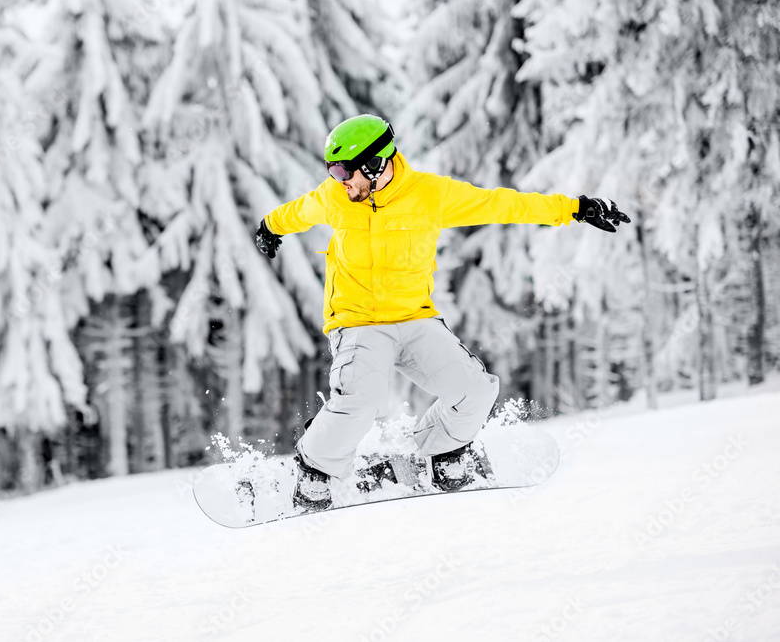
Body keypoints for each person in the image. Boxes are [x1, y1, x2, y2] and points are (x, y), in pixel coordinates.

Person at [254, 114, 630, 511]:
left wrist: (574, 208)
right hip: (357, 322)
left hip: (416, 319)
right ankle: (313, 467)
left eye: (344, 170)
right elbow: (297, 211)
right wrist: (269, 227)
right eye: (331, 170)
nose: (338, 179)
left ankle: (439, 453)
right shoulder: (335, 197)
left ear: (375, 163)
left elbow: (501, 204)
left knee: (476, 390)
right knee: (361, 401)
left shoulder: (429, 194)